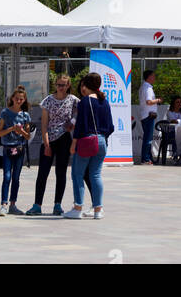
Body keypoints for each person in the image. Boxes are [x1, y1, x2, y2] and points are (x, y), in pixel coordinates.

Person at [27, 74, 78, 216]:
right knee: (42, 173)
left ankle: (57, 204)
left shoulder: (73, 100)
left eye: (63, 85)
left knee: (61, 173)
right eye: (58, 85)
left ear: (68, 85)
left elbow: (81, 111)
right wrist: (46, 143)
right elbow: (44, 124)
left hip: (65, 138)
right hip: (49, 138)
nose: (60, 88)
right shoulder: (48, 101)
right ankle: (37, 205)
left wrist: (72, 122)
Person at [66, 73, 115, 219]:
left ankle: (77, 208)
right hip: (101, 141)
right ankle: (98, 210)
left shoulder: (85, 102)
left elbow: (80, 126)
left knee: (77, 174)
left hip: (86, 140)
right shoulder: (104, 102)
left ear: (85, 86)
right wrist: (101, 137)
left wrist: (74, 144)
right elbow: (111, 126)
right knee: (95, 175)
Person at [0, 85, 32, 216]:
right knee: (7, 176)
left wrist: (21, 131)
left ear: (24, 100)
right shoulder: (5, 113)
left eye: (21, 99)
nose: (19, 101)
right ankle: (4, 204)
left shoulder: (25, 115)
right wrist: (11, 129)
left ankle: (13, 204)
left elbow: (28, 136)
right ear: (12, 98)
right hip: (7, 148)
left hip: (20, 149)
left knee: (16, 178)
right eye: (17, 98)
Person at [139, 69, 161, 165]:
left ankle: (147, 157)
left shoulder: (144, 86)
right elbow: (149, 101)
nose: (154, 78)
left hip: (145, 115)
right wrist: (158, 100)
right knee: (148, 139)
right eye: (153, 76)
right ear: (149, 77)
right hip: (148, 116)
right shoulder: (148, 88)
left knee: (147, 138)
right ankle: (146, 159)